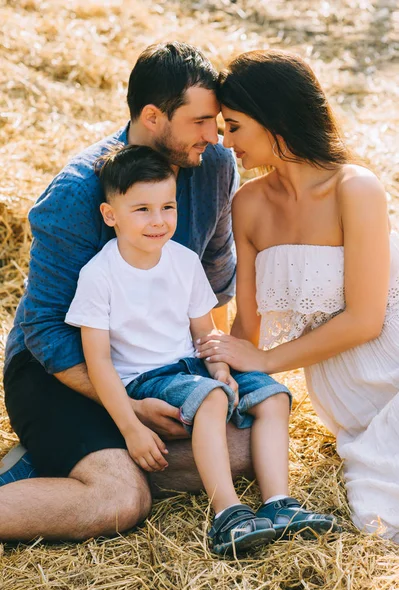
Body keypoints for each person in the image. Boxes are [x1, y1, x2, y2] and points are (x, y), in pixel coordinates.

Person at [0, 42, 243, 541]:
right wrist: (128, 408)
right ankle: (85, 463)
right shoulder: (75, 193)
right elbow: (43, 329)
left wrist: (201, 361)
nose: (213, 135)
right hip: (61, 369)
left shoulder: (214, 165)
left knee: (244, 448)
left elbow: (215, 273)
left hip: (155, 364)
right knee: (119, 499)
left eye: (215, 121)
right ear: (153, 116)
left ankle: (66, 460)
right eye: (199, 121)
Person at [65, 143, 338, 554]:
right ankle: (228, 515)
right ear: (110, 215)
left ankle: (280, 504)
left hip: (192, 366)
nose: (158, 221)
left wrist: (221, 366)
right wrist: (131, 427)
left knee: (273, 395)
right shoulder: (99, 275)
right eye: (142, 210)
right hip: (146, 378)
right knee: (210, 397)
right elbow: (98, 361)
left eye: (167, 207)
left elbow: (204, 332)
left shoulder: (183, 260)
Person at [195, 49, 399, 542]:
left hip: (390, 360)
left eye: (235, 126)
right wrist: (221, 371)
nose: (225, 141)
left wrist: (266, 361)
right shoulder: (247, 204)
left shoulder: (355, 187)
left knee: (381, 506)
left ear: (275, 121)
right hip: (345, 394)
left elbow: (366, 320)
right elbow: (247, 326)